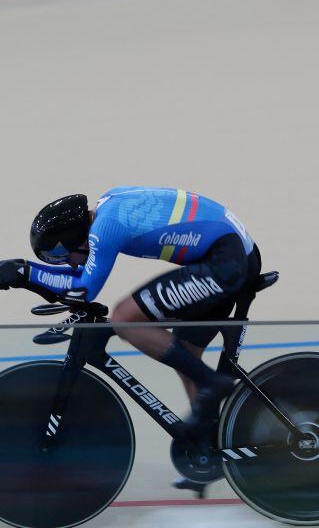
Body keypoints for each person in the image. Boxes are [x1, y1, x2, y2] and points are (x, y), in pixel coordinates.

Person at [0, 188, 260, 445]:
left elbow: (83, 290)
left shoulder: (105, 228)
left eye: (61, 256)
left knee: (125, 319)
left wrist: (26, 273)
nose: (71, 264)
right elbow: (79, 280)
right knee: (186, 355)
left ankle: (212, 382)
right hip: (233, 253)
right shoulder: (108, 203)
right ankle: (210, 447)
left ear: (73, 237)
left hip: (226, 261)